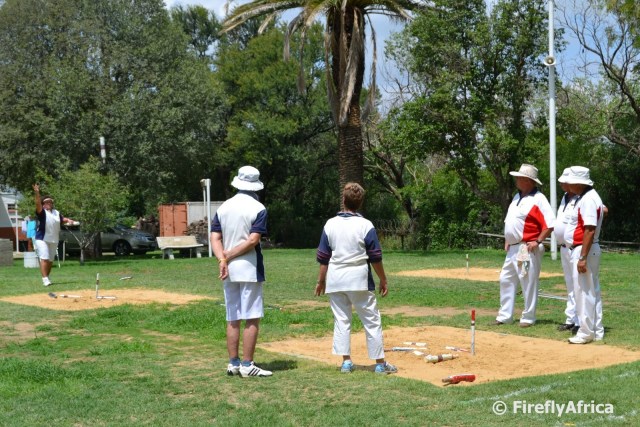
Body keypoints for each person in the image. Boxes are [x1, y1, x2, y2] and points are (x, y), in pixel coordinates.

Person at [315, 182, 397, 375]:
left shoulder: (330, 224)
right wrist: (383, 279)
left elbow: (324, 257)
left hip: (336, 279)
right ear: (360, 203)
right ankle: (380, 364)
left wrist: (320, 281)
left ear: (343, 200)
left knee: (341, 320)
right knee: (371, 320)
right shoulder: (365, 225)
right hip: (359, 279)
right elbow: (375, 256)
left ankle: (346, 362)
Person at [210, 166, 272, 377]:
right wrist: (229, 255)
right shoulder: (258, 208)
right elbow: (253, 240)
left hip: (228, 270)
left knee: (233, 316)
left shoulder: (223, 207)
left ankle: (233, 363)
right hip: (250, 268)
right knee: (252, 316)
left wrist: (222, 259)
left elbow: (215, 237)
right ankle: (247, 365)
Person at [495, 164, 555, 327]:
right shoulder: (517, 197)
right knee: (506, 279)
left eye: (519, 178)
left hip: (525, 247)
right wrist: (508, 239)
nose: (516, 180)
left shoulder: (539, 199)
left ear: (528, 181)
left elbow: (550, 224)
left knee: (527, 281)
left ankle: (528, 317)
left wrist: (538, 241)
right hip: (513, 246)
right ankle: (505, 316)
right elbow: (511, 221)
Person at [562, 166, 605, 344]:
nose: (568, 185)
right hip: (586, 248)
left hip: (583, 249)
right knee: (591, 290)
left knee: (583, 292)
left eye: (571, 182)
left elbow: (589, 229)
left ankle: (586, 332)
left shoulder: (587, 199)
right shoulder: (589, 197)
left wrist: (582, 257)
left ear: (579, 183)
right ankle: (595, 330)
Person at [32, 184, 76, 286]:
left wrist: (68, 220)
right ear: (43, 204)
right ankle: (44, 279)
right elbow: (37, 203)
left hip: (54, 239)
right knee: (45, 257)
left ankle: (47, 277)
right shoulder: (42, 212)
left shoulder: (56, 212)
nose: (49, 203)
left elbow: (61, 219)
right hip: (42, 238)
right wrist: (37, 193)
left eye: (50, 202)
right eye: (46, 202)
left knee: (50, 260)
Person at [554, 168, 579, 331]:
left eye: (564, 181)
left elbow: (602, 209)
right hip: (564, 247)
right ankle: (571, 318)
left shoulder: (582, 197)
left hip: (575, 247)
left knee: (579, 285)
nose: (561, 184)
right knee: (570, 285)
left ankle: (580, 321)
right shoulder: (565, 197)